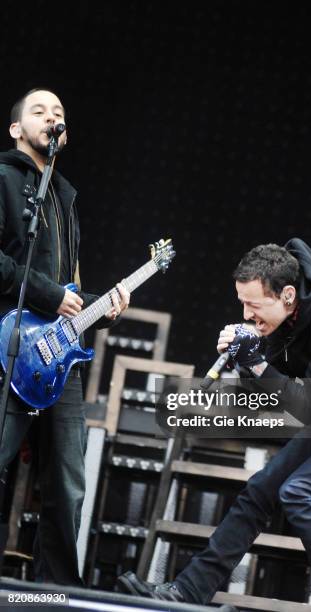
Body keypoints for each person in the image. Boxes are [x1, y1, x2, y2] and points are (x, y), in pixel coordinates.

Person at [117, 239, 311, 611]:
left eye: (253, 305)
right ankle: (188, 592)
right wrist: (245, 351)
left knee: (299, 492)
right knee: (260, 490)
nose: (246, 313)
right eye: (242, 303)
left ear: (287, 295)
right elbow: (284, 380)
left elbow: (309, 409)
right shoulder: (289, 314)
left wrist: (254, 363)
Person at [0, 88, 130, 585]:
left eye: (58, 113)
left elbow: (67, 287)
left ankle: (56, 591)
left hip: (59, 360)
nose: (51, 117)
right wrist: (48, 295)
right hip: (9, 347)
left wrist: (101, 307)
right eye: (39, 111)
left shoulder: (64, 197)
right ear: (16, 129)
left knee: (67, 482)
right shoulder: (5, 179)